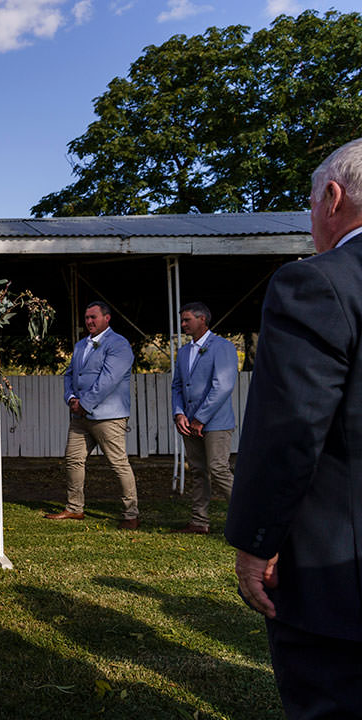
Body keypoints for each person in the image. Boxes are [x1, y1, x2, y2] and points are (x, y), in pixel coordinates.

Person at [226, 137, 362, 718]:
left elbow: (289, 434)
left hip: (339, 584)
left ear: (332, 198)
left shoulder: (316, 284)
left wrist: (258, 542)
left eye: (310, 203)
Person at [46, 301, 139, 529]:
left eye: (93, 317)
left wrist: (84, 403)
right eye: (87, 318)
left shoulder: (119, 344)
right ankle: (75, 508)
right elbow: (69, 375)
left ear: (107, 318)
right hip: (80, 417)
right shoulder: (80, 345)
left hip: (108, 416)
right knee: (73, 459)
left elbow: (108, 380)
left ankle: (131, 514)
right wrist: (70, 399)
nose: (89, 321)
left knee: (118, 464)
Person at [170, 301, 238, 534]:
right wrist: (179, 413)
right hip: (188, 422)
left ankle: (249, 516)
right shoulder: (184, 351)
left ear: (203, 320)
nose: (183, 324)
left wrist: (201, 417)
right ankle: (199, 522)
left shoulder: (223, 347)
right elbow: (177, 385)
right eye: (182, 320)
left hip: (216, 422)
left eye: (187, 319)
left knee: (218, 469)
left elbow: (223, 386)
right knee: (198, 471)